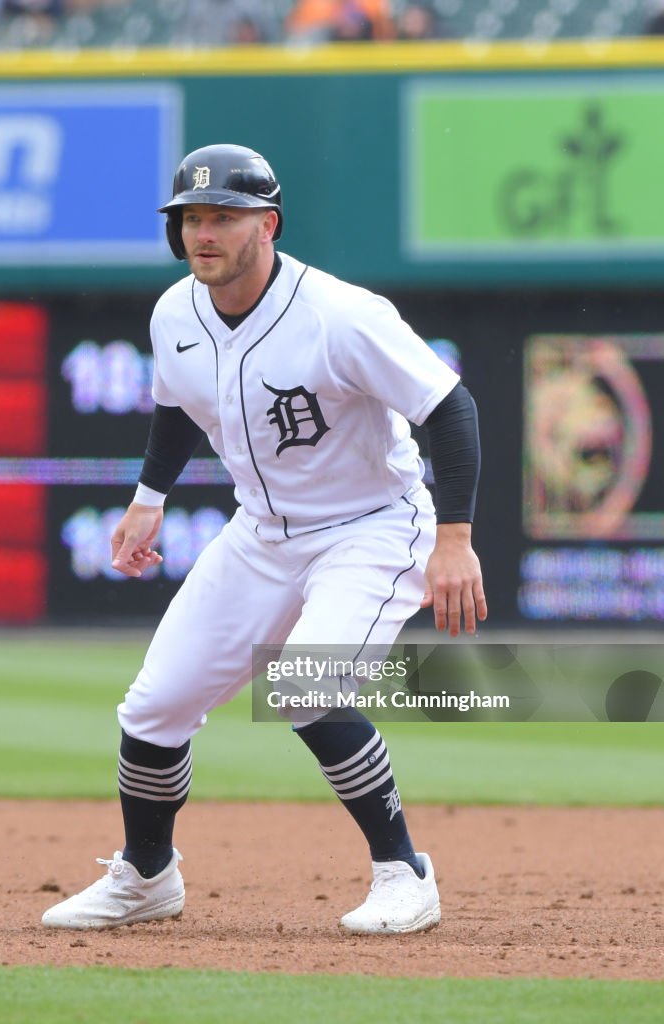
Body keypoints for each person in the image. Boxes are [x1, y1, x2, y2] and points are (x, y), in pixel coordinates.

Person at [42, 143, 486, 935]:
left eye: (224, 218)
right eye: (191, 219)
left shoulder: (341, 316)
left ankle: (404, 873)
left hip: (370, 527)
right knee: (154, 706)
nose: (203, 234)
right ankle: (146, 877)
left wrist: (453, 539)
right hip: (261, 532)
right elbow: (176, 403)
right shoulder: (174, 310)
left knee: (306, 687)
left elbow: (449, 408)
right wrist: (149, 498)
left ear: (267, 225)